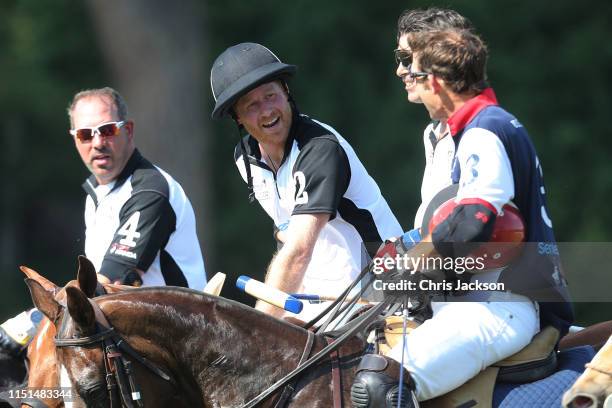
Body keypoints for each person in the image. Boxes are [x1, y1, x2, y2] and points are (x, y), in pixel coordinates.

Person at [352, 24, 574, 405]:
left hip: (496, 307)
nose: (410, 81)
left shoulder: (484, 131)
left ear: (435, 82)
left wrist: (412, 260)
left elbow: (476, 216)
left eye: (416, 74)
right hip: (475, 304)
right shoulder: (478, 127)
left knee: (379, 387)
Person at [210, 43, 403, 321]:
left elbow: (299, 251)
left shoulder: (319, 149)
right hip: (317, 299)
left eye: (271, 95)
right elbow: (286, 234)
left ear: (286, 93)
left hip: (377, 292)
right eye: (252, 105)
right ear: (237, 117)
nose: (266, 111)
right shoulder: (245, 158)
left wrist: (258, 327)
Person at [68, 87, 207, 289]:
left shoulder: (150, 190)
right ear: (75, 139)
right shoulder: (97, 193)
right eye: (85, 134)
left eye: (107, 130)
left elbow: (113, 282)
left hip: (174, 320)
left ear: (129, 130)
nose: (97, 142)